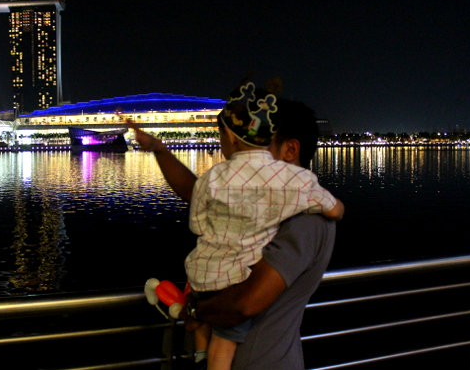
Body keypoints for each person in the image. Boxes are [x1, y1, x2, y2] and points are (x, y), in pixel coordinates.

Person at [127, 78, 343, 369]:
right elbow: (194, 191)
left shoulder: (306, 219)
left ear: (290, 150)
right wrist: (159, 149)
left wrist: (194, 309)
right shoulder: (265, 198)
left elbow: (244, 304)